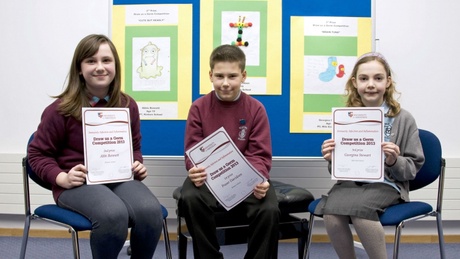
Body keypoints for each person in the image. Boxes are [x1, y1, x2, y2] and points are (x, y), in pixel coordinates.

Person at [27, 34, 163, 259]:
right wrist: (62, 178)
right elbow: (37, 154)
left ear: (115, 66)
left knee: (151, 211)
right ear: (80, 69)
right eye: (91, 61)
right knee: (112, 213)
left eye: (106, 60)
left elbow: (134, 146)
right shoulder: (59, 110)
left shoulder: (127, 105)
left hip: (118, 179)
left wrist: (137, 164)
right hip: (76, 184)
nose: (100, 67)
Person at [316, 52, 425, 259]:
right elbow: (339, 168)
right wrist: (332, 158)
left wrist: (394, 160)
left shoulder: (403, 118)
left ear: (388, 82)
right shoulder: (346, 117)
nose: (371, 84)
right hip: (350, 183)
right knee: (331, 213)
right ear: (355, 83)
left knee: (360, 212)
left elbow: (412, 168)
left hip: (387, 184)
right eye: (364, 79)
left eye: (378, 78)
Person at [179, 44, 280, 259]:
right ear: (210, 75)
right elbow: (192, 151)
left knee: (269, 208)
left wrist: (259, 177)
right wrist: (194, 169)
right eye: (219, 76)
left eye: (232, 76)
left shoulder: (256, 109)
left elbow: (260, 155)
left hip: (246, 178)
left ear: (243, 76)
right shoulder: (198, 107)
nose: (225, 83)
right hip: (208, 179)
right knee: (190, 196)